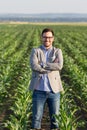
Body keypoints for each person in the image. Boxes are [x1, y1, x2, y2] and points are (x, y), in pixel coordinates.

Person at [29, 28, 63, 130]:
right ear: (41, 38)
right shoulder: (35, 51)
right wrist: (51, 66)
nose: (47, 39)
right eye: (44, 37)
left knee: (55, 120)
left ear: (53, 38)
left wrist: (43, 64)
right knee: (36, 119)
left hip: (54, 91)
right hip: (39, 90)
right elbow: (34, 66)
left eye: (49, 37)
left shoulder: (57, 51)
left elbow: (59, 66)